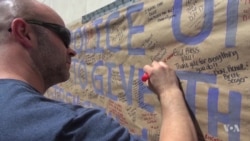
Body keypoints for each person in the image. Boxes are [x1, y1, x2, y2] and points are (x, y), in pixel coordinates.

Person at [0, 0, 198, 141]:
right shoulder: (67, 127)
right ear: (23, 32)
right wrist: (169, 91)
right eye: (64, 37)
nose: (72, 50)